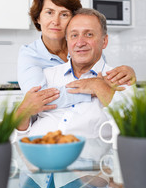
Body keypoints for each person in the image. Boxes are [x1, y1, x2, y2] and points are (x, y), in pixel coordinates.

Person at [16, 8, 133, 143]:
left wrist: (99, 87)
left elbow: (132, 130)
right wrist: (23, 111)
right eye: (74, 35)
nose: (80, 42)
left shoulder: (120, 79)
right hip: (36, 154)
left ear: (104, 41)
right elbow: (19, 132)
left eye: (89, 34)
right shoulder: (47, 76)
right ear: (67, 41)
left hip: (89, 160)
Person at [17, 0, 136, 111]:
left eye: (64, 14)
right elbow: (38, 101)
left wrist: (127, 73)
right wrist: (94, 87)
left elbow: (104, 76)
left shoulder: (84, 47)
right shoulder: (30, 55)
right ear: (38, 18)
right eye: (49, 12)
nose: (56, 21)